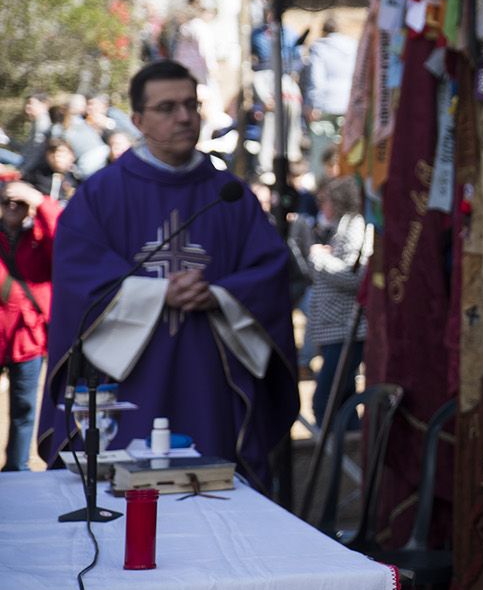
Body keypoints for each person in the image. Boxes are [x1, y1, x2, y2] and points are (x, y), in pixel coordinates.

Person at [35, 60, 298, 488]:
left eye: (191, 105)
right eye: (167, 107)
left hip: (211, 380)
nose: (184, 117)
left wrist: (219, 294)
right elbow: (78, 279)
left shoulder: (229, 194)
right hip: (129, 381)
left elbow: (269, 272)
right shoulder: (100, 194)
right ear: (137, 120)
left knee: (215, 501)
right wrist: (157, 294)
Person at [297, 176, 368, 425]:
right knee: (342, 400)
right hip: (336, 327)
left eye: (323, 200)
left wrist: (318, 257)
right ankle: (348, 455)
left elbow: (354, 276)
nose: (320, 206)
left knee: (325, 402)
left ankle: (341, 458)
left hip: (345, 328)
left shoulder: (354, 225)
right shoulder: (344, 226)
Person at [0, 177, 59, 470]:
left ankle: (16, 469)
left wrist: (39, 201)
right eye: (6, 201)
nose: (12, 207)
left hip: (28, 338)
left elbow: (64, 240)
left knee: (24, 410)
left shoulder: (39, 237)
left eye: (19, 203)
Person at [303, 16, 357, 177]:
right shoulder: (352, 45)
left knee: (322, 154)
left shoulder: (319, 48)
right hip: (348, 105)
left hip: (325, 106)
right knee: (345, 151)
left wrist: (314, 104)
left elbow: (316, 79)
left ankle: (322, 190)